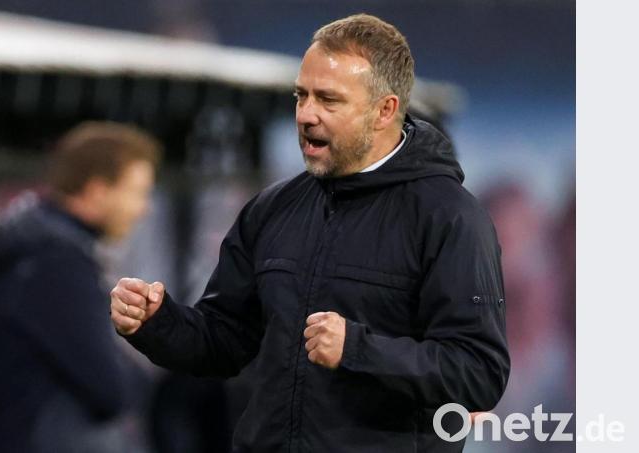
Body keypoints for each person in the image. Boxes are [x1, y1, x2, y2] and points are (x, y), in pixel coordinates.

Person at [110, 14, 510, 453]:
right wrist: (157, 322)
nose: (306, 114)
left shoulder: (450, 218)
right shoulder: (273, 208)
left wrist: (358, 349)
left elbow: (478, 373)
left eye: (328, 100)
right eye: (301, 96)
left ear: (385, 110)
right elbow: (224, 340)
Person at [0, 121, 161, 453]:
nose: (143, 208)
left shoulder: (35, 251)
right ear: (98, 189)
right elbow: (110, 388)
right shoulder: (56, 264)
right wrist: (136, 375)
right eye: (137, 192)